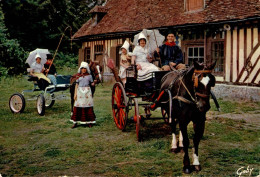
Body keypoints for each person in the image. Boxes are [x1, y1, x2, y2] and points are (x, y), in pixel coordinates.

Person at [70, 62, 96, 128]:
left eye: (85, 68)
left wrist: (94, 83)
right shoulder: (78, 76)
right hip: (80, 92)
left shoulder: (89, 76)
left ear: (87, 69)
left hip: (87, 92)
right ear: (80, 69)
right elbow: (76, 84)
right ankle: (75, 122)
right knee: (78, 106)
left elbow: (92, 83)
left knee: (88, 106)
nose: (83, 70)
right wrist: (75, 94)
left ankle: (89, 122)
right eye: (82, 68)